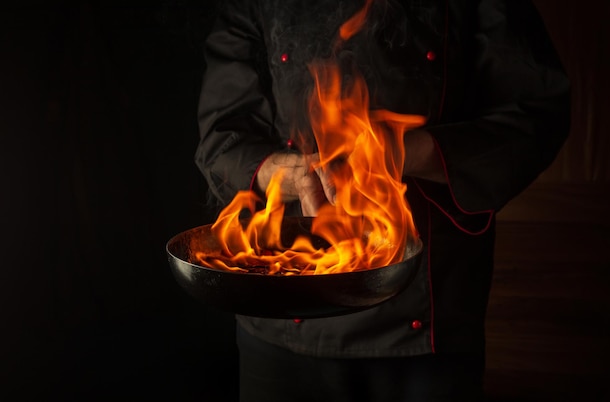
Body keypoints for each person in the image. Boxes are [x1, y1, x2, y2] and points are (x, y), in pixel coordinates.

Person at [194, 0, 570, 400]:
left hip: (429, 319)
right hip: (283, 314)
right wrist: (294, 174)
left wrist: (403, 151)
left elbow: (536, 115)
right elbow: (221, 137)